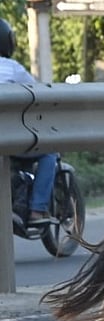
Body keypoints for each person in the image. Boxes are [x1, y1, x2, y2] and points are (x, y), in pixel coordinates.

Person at [0, 17, 58, 226]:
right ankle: (37, 210)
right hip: (11, 141)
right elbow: (38, 94)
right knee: (49, 153)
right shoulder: (12, 67)